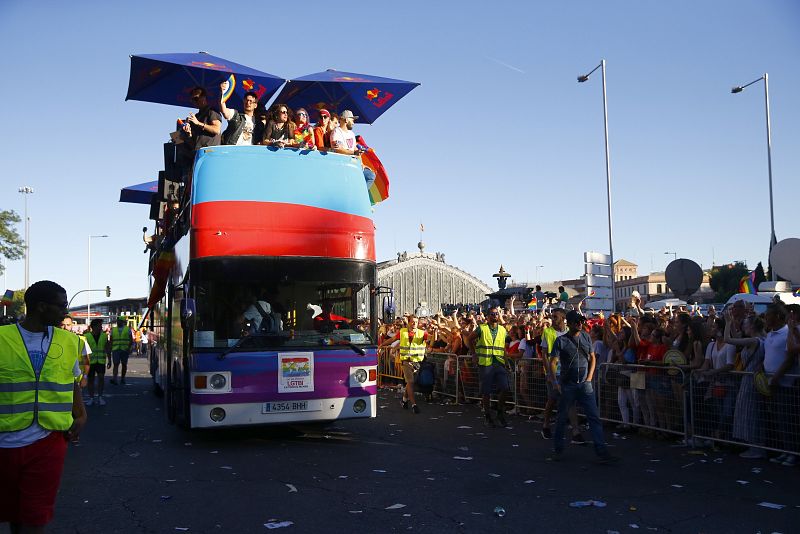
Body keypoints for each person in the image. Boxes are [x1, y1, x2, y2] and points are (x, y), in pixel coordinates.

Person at [0, 280, 87, 532]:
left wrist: (81, 413)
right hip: (4, 443)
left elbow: (73, 380)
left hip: (48, 440)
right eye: (61, 306)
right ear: (41, 307)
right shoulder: (3, 338)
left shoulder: (70, 342)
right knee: (13, 513)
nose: (66, 311)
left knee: (35, 517)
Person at [551, 310, 617, 463]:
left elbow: (592, 358)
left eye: (581, 321)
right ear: (569, 323)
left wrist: (589, 377)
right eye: (576, 322)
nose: (580, 324)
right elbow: (553, 362)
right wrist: (555, 382)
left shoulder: (586, 337)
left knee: (594, 417)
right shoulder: (561, 341)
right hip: (568, 385)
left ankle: (601, 451)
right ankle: (558, 449)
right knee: (561, 418)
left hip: (585, 385)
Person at [540, 308, 585, 443]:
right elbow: (544, 354)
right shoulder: (547, 332)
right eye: (552, 316)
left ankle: (576, 431)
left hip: (567, 372)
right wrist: (549, 373)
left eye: (555, 317)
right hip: (554, 373)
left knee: (570, 401)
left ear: (563, 319)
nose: (552, 319)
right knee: (552, 400)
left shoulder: (569, 332)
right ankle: (546, 424)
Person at [468, 307, 511, 427]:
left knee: (505, 388)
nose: (495, 316)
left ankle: (499, 411)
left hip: (499, 362)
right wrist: (474, 354)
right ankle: (487, 415)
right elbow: (469, 339)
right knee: (486, 391)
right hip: (486, 363)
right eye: (492, 314)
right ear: (487, 316)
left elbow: (502, 347)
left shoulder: (502, 330)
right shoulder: (482, 328)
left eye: (496, 314)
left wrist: (506, 362)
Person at [381, 315, 428, 414]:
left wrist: (436, 332)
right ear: (409, 322)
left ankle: (404, 400)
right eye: (413, 321)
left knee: (410, 384)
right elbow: (393, 339)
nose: (414, 323)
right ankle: (414, 405)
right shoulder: (403, 332)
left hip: (416, 362)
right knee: (410, 382)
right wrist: (381, 345)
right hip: (406, 361)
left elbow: (431, 340)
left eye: (416, 321)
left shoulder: (422, 333)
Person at [331, 110, 376, 188]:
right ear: (346, 119)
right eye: (352, 120)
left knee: (370, 176)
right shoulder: (336, 132)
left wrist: (362, 164)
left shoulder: (351, 134)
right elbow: (337, 150)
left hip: (354, 163)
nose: (353, 122)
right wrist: (353, 153)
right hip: (343, 164)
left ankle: (360, 195)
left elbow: (355, 149)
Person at [219, 80, 262, 146]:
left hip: (249, 153)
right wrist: (222, 93)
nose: (248, 103)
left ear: (255, 105)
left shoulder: (259, 123)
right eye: (246, 100)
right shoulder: (236, 115)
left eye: (251, 101)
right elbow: (224, 111)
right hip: (233, 150)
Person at [83, 319, 110, 406]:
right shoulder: (86, 336)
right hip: (90, 362)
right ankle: (91, 398)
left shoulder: (104, 336)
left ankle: (100, 397)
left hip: (101, 361)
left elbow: (107, 348)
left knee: (101, 379)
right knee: (91, 380)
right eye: (99, 325)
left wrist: (110, 360)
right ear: (94, 327)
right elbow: (83, 350)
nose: (101, 327)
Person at [109, 318, 133, 385]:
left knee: (124, 364)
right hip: (115, 349)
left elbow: (131, 339)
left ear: (123, 322)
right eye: (117, 321)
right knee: (116, 364)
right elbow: (111, 340)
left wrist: (129, 348)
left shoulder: (127, 329)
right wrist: (110, 348)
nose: (118, 322)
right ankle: (115, 379)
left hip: (124, 349)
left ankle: (122, 378)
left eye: (119, 321)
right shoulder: (113, 330)